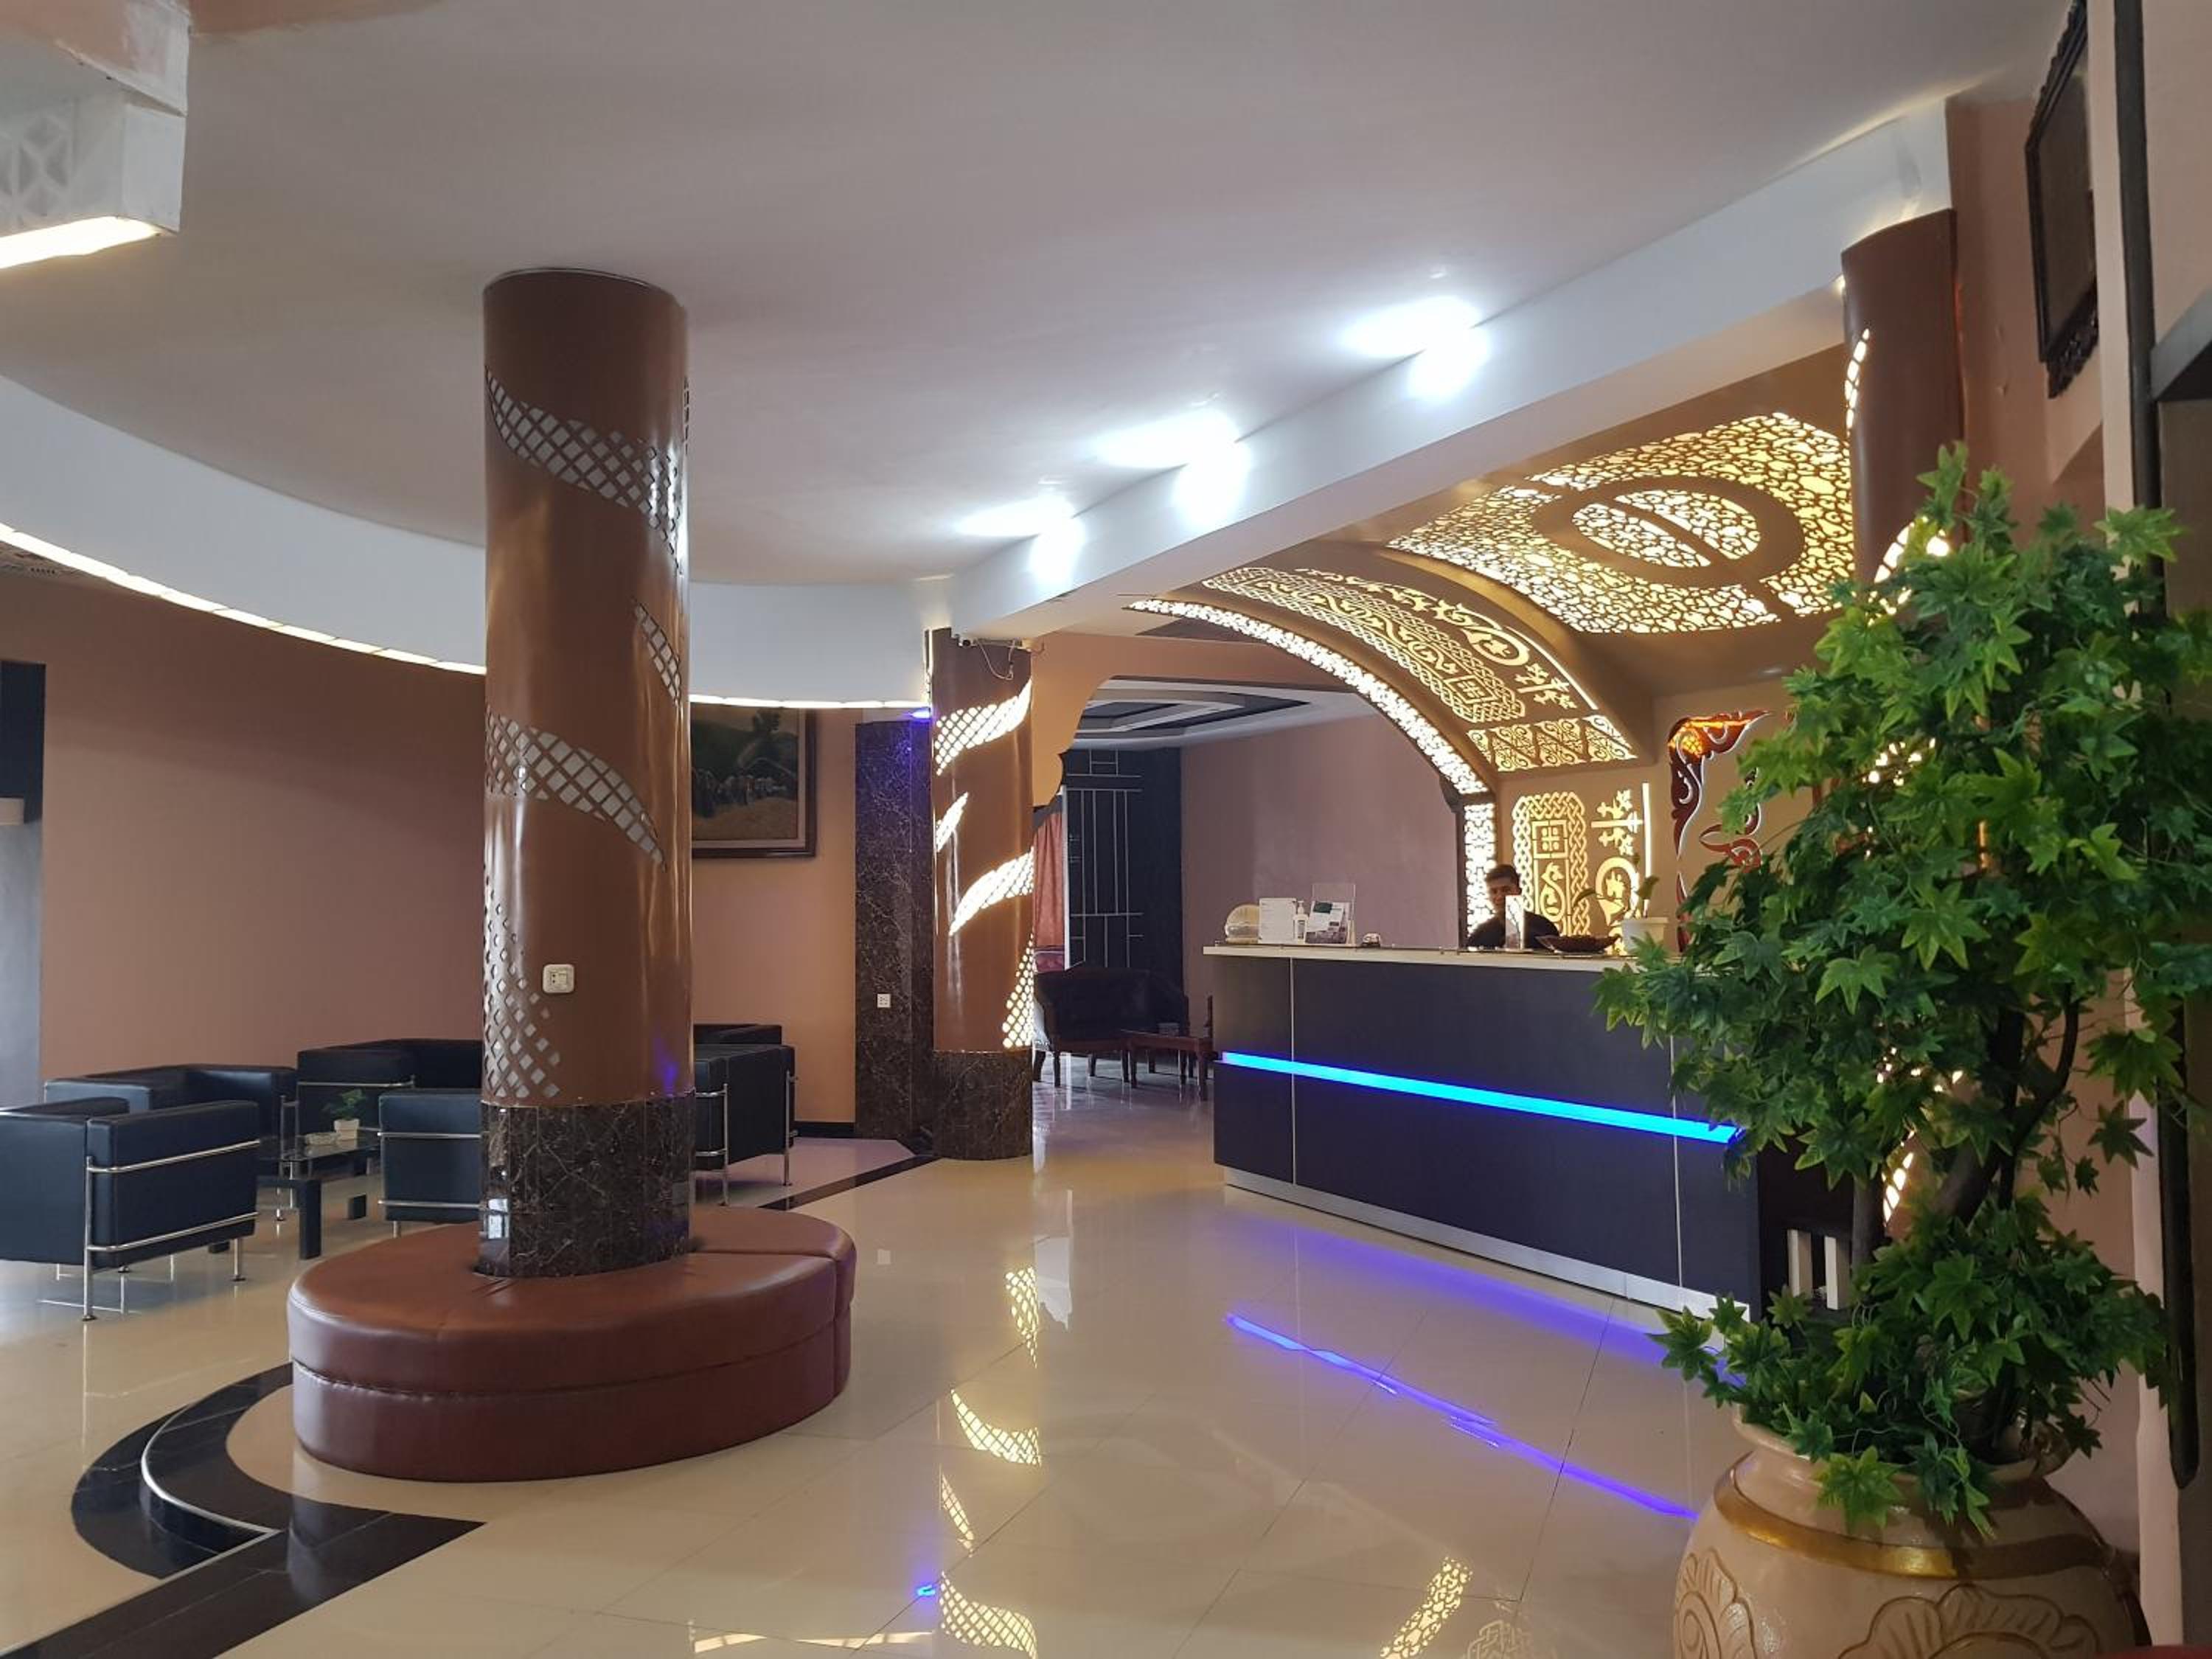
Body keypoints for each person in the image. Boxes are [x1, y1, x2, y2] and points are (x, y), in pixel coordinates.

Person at [1466, 863, 1559, 950]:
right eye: (1494, 892)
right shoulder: (1480, 935)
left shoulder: (1543, 928)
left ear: (1519, 891)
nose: (1500, 896)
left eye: (1506, 890)